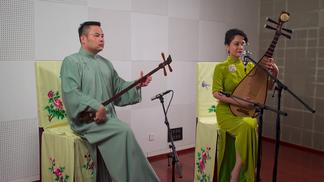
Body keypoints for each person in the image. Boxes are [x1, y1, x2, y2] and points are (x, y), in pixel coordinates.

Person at [60, 21, 160, 182]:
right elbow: (71, 93)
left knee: (120, 131)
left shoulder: (106, 63)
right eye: (97, 35)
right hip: (86, 118)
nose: (101, 39)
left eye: (103, 36)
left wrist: (137, 83)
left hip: (106, 118)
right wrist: (95, 106)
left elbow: (118, 88)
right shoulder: (71, 62)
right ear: (83, 39)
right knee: (124, 131)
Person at [212, 28, 279, 182]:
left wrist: (275, 71)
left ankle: (239, 170)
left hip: (245, 112)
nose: (240, 47)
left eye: (243, 44)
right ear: (227, 46)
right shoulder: (221, 67)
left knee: (250, 123)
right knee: (249, 126)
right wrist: (239, 102)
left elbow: (267, 87)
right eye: (236, 44)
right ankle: (243, 172)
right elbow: (216, 93)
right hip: (226, 112)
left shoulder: (250, 67)